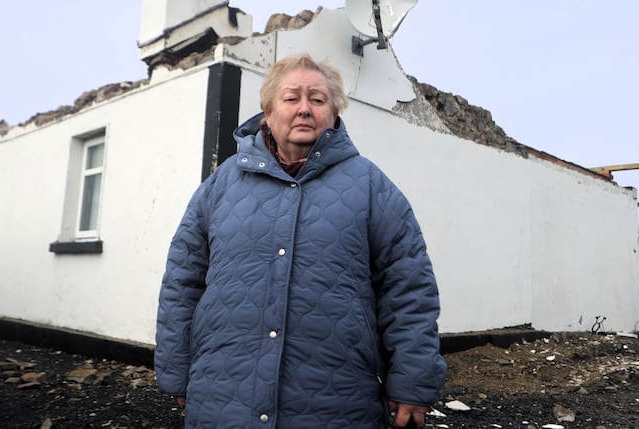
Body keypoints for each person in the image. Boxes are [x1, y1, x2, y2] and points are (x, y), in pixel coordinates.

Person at [155, 54, 446, 428]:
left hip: (337, 404)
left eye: (318, 99)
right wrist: (176, 369)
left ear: (335, 113)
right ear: (268, 111)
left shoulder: (372, 188)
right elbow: (182, 282)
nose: (304, 109)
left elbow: (409, 288)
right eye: (292, 98)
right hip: (223, 399)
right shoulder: (219, 187)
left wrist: (412, 381)